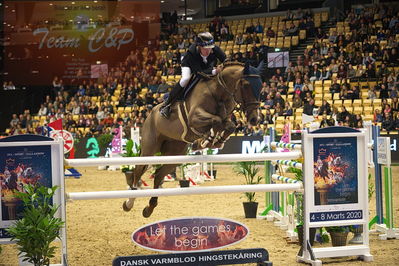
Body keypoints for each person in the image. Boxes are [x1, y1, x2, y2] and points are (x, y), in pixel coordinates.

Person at [160, 32, 226, 118]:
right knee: (185, 79)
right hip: (189, 65)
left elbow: (226, 59)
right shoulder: (192, 53)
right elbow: (199, 73)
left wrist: (223, 66)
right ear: (199, 46)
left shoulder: (214, 49)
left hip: (205, 65)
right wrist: (214, 71)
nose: (208, 51)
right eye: (205, 49)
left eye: (210, 48)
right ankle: (167, 103)